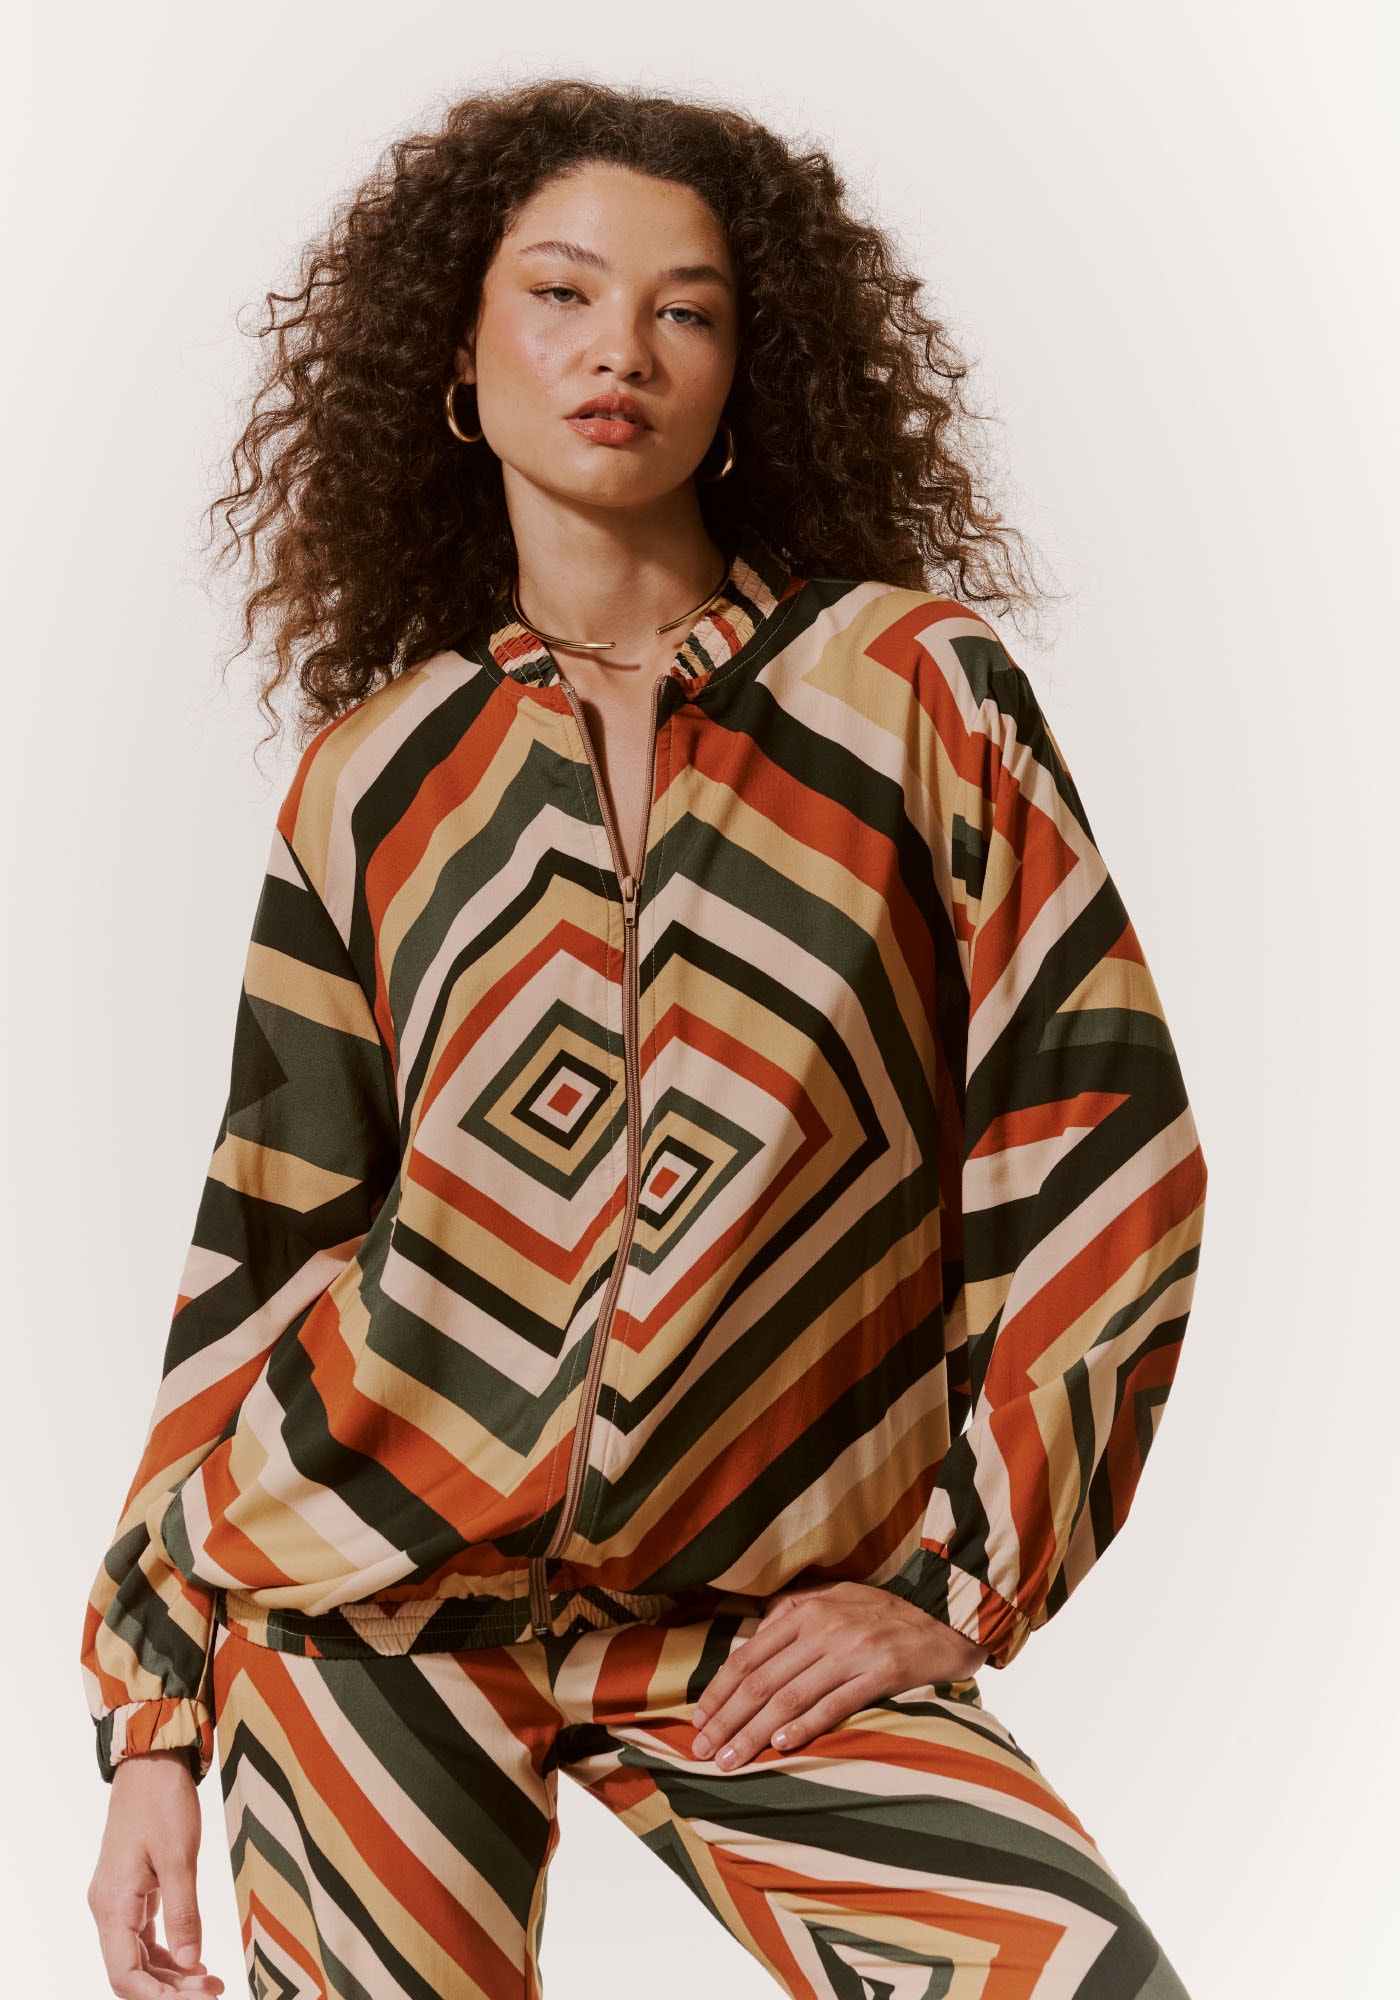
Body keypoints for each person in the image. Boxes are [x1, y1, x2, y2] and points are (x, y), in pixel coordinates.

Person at [81, 75, 1209, 2000]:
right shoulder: (374, 782)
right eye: (562, 294)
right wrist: (154, 1718)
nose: (623, 350)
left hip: (762, 1610)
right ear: (456, 357)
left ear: (746, 373)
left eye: (687, 310)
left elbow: (1097, 1130)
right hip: (363, 1600)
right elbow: (266, 1242)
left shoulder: (906, 693)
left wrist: (958, 1581)